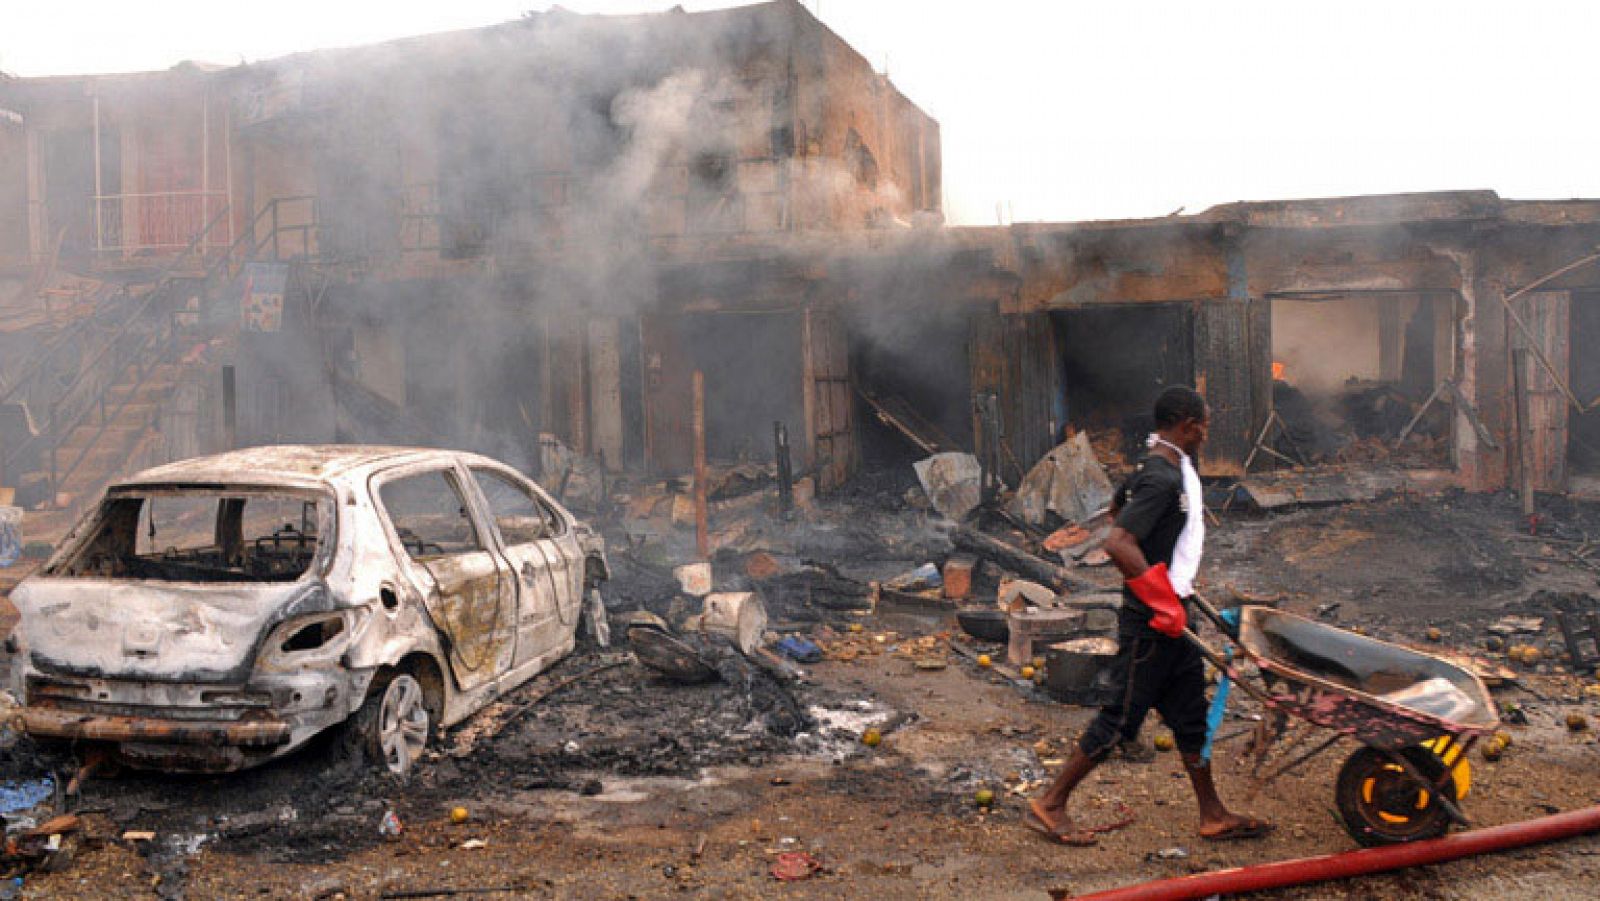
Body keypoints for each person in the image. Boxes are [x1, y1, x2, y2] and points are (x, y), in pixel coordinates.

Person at [1025, 385, 1270, 846]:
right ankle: (1050, 804)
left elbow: (1121, 508)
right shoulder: (1161, 477)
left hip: (1174, 615)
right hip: (1151, 625)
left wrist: (1173, 591)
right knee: (1120, 720)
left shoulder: (1163, 465)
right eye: (1205, 424)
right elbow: (1117, 541)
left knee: (1191, 716)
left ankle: (1212, 813)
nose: (1207, 432)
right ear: (1188, 425)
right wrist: (1159, 598)